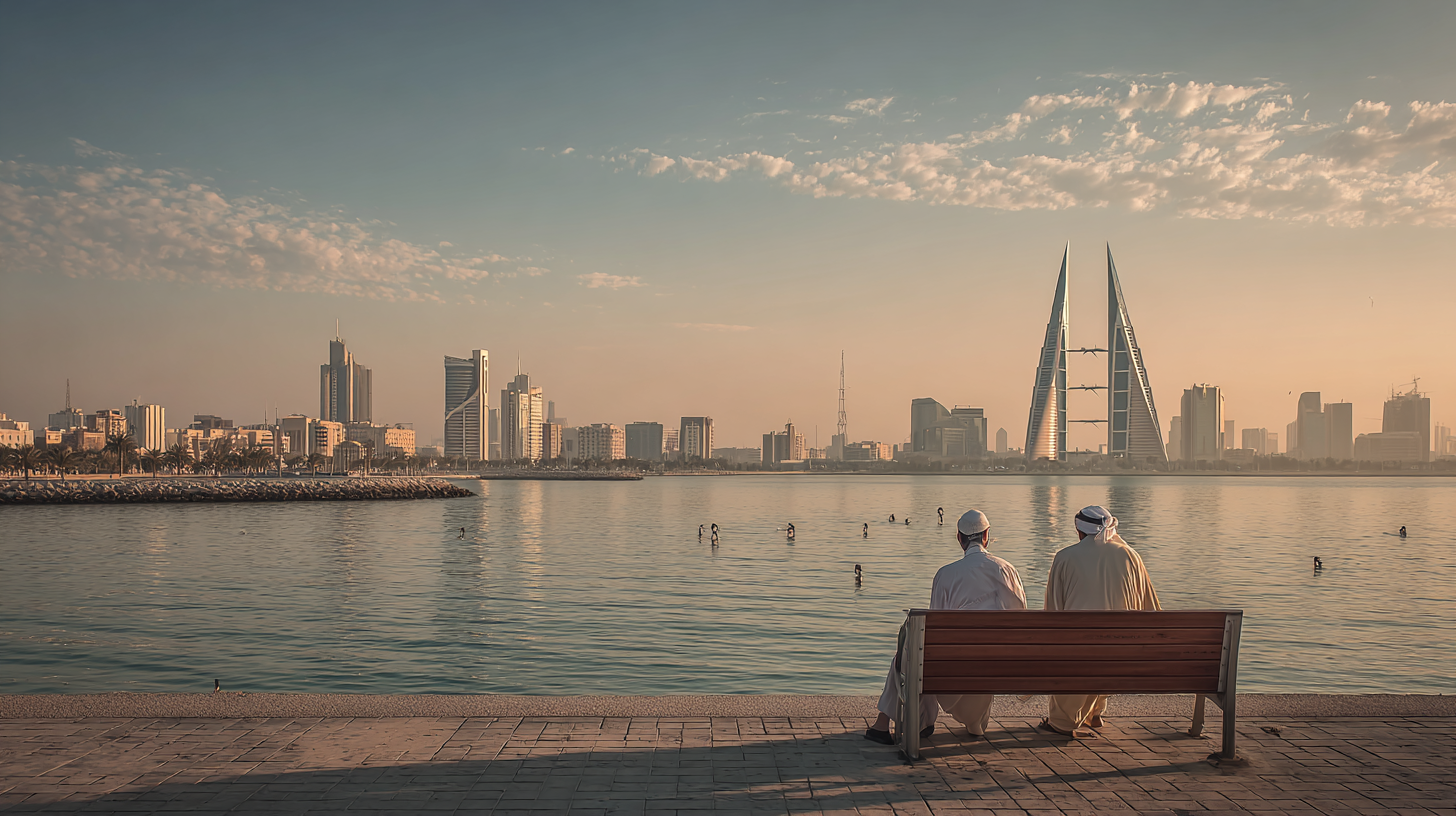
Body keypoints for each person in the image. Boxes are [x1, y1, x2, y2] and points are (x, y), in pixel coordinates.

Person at [866, 509, 1027, 745]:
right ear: (987, 536)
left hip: (954, 670)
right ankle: (948, 722)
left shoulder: (946, 574)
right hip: (998, 667)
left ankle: (902, 722)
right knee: (919, 651)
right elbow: (1020, 620)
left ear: (959, 539)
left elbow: (933, 632)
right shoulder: (1007, 570)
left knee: (913, 649)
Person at [1040, 505, 1160, 737]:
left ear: (1079, 532)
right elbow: (1151, 608)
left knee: (1069, 646)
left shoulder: (1064, 557)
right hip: (1122, 656)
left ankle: (1062, 722)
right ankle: (1094, 712)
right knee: (1109, 642)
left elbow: (1053, 613)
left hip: (1081, 654)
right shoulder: (1131, 556)